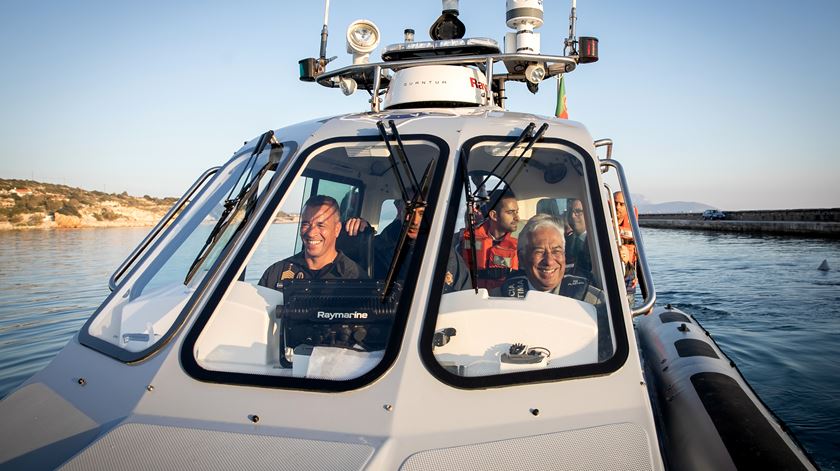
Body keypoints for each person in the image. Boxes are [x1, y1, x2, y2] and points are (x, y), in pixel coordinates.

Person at [496, 214, 612, 361]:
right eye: (539, 252)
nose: (549, 261)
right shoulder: (498, 301)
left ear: (564, 255)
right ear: (522, 259)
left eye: (556, 251)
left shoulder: (595, 303)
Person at [345, 199, 469, 293]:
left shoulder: (447, 256)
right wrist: (360, 233)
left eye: (421, 213)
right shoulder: (377, 248)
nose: (414, 220)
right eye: (409, 211)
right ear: (400, 212)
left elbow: (461, 301)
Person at [259, 195, 366, 289]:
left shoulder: (355, 278)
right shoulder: (275, 274)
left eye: (321, 225)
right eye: (306, 224)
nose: (311, 233)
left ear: (337, 229)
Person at [460, 188, 520, 290]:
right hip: (468, 297)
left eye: (517, 212)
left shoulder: (519, 246)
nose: (517, 218)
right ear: (494, 215)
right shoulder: (465, 238)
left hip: (503, 300)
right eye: (510, 212)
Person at [614, 191, 637, 303]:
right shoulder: (603, 224)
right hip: (610, 280)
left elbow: (640, 261)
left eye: (621, 204)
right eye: (615, 203)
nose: (617, 207)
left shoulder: (634, 230)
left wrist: (647, 295)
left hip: (628, 281)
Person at [564, 198, 592, 278]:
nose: (572, 216)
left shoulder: (595, 242)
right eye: (570, 212)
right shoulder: (566, 240)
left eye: (578, 212)